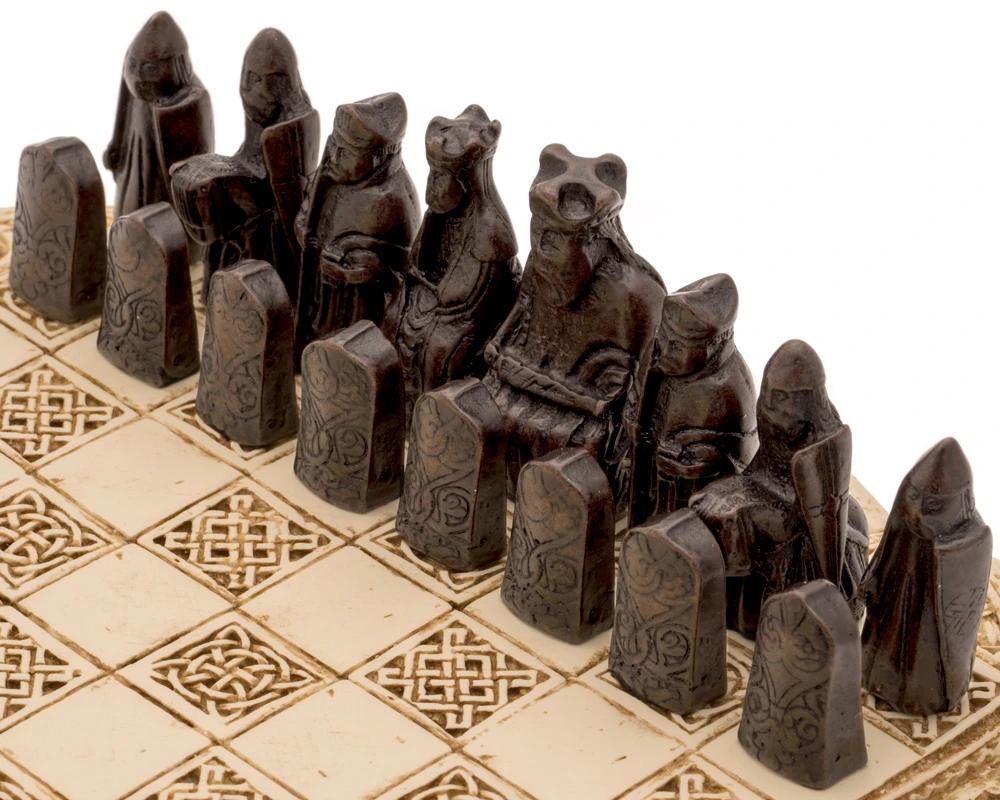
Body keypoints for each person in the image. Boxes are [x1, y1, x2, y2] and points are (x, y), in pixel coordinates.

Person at [482, 144, 666, 512]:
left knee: (579, 443)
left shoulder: (637, 296)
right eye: (538, 231)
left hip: (588, 411)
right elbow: (517, 320)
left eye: (557, 239)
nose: (541, 249)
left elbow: (642, 392)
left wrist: (603, 396)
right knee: (482, 406)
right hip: (534, 384)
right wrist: (498, 352)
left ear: (597, 241)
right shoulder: (536, 263)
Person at [689, 339, 869, 638]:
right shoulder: (770, 416)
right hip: (767, 490)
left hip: (802, 521)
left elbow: (808, 513)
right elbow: (759, 473)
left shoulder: (827, 443)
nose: (771, 406)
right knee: (707, 502)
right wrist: (729, 493)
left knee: (740, 520)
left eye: (783, 398)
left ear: (808, 401)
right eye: (769, 393)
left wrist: (751, 507)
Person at [384, 105, 520, 423]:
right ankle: (393, 415)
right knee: (392, 319)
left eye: (440, 178)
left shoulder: (491, 231)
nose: (430, 187)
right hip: (431, 302)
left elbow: (466, 299)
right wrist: (419, 290)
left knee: (438, 350)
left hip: (466, 318)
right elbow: (416, 268)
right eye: (432, 175)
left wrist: (429, 290)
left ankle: (434, 427)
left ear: (466, 180)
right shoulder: (439, 214)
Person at [170, 28, 319, 303]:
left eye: (264, 81)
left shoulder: (296, 123)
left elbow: (280, 193)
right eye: (249, 79)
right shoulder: (260, 112)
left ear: (283, 84)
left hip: (273, 226)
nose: (254, 91)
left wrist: (231, 183)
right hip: (253, 210)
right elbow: (246, 158)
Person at [860, 438, 992, 715]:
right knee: (887, 645)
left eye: (933, 505)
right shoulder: (904, 523)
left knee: (922, 655)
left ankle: (920, 698)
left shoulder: (972, 539)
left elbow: (961, 611)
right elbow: (886, 552)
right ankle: (878, 680)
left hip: (929, 616)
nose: (918, 514)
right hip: (897, 600)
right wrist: (873, 580)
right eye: (913, 498)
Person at [294, 92, 421, 364]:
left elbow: (404, 272)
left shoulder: (396, 199)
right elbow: (307, 212)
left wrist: (361, 266)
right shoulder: (330, 175)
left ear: (377, 158)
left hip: (361, 308)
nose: (333, 157)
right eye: (334, 145)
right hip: (319, 297)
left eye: (346, 152)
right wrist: (304, 228)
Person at [626, 273, 757, 527]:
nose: (664, 351)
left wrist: (690, 460)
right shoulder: (657, 353)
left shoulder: (729, 388)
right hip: (647, 476)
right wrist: (632, 418)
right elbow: (636, 397)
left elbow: (739, 461)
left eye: (678, 346)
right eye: (663, 337)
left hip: (688, 496)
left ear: (711, 347)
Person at [104, 11, 213, 235]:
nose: (139, 78)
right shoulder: (132, 89)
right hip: (134, 166)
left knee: (164, 223)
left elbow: (196, 163)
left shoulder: (193, 99)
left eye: (150, 69)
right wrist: (116, 148)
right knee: (129, 211)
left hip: (164, 183)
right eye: (133, 66)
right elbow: (122, 118)